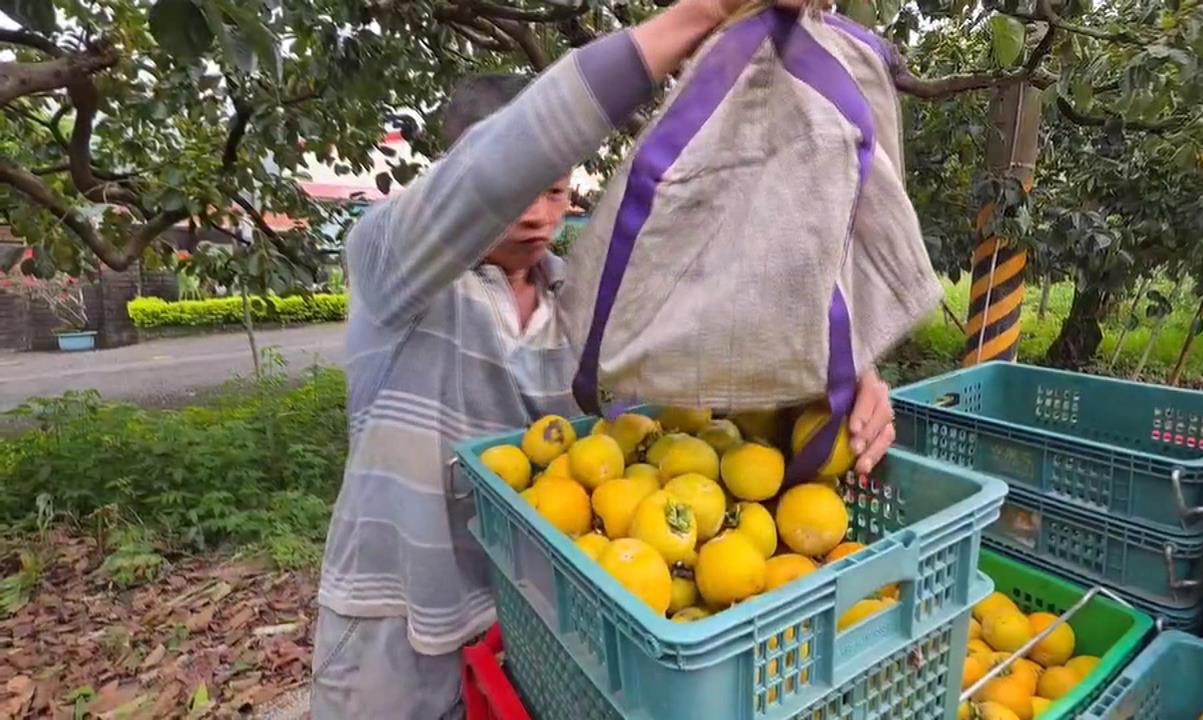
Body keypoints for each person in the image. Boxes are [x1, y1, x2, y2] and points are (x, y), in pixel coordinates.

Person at [311, 0, 899, 716]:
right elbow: (496, 166)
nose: (535, 215)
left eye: (555, 190)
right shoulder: (392, 272)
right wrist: (705, 15)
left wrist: (851, 373)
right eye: (517, 192)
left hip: (532, 628)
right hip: (393, 632)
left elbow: (734, 317)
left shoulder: (581, 305)